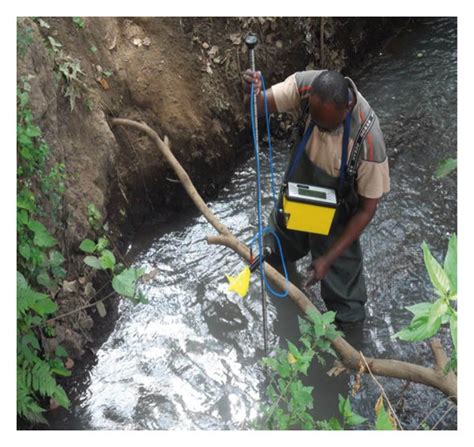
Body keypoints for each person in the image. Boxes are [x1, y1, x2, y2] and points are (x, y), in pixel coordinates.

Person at [242, 69, 390, 327]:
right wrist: (252, 95)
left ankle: (351, 354)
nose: (319, 129)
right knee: (275, 254)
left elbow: (367, 210)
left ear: (346, 110)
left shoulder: (368, 140)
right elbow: (258, 108)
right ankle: (286, 316)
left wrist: (327, 258)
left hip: (337, 218)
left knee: (348, 311)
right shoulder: (305, 88)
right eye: (315, 120)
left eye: (326, 125)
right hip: (297, 196)